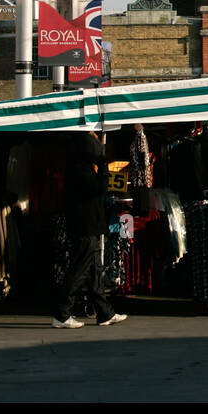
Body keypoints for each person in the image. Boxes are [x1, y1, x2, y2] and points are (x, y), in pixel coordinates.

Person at [53, 130, 127, 328]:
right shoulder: (80, 169)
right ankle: (62, 313)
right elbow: (99, 189)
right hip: (84, 226)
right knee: (79, 269)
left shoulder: (80, 167)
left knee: (95, 269)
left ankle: (105, 312)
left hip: (88, 225)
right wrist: (103, 165)